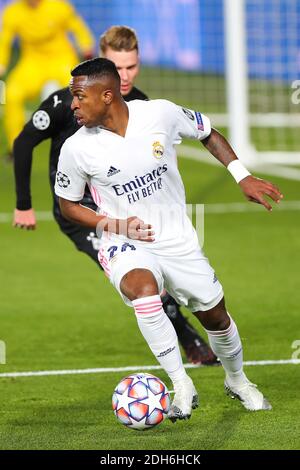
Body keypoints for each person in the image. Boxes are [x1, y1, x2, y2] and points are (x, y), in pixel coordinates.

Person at [55, 58, 283, 420]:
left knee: (217, 317)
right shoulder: (76, 148)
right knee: (142, 290)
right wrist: (113, 224)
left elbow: (207, 131)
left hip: (177, 238)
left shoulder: (159, 114)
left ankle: (237, 381)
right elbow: (67, 205)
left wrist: (242, 176)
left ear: (108, 95)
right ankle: (182, 385)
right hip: (123, 241)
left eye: (80, 97)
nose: (73, 105)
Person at [13, 25, 218, 366]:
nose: (124, 76)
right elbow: (23, 143)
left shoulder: (141, 106)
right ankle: (189, 341)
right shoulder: (67, 101)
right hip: (83, 216)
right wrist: (23, 205)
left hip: (135, 212)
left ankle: (202, 333)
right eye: (116, 68)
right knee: (146, 282)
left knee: (166, 274)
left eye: (131, 68)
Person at [0, 0, 94, 153]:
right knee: (12, 92)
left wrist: (86, 45)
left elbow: (77, 27)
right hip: (32, 62)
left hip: (61, 59)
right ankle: (17, 146)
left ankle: (86, 139)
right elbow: (4, 40)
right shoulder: (13, 12)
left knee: (80, 92)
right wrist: (1, 63)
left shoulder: (59, 6)